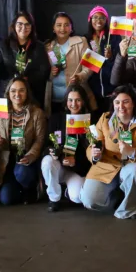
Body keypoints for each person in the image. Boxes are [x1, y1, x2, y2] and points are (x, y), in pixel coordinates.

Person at [82, 86, 136, 219]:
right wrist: (94, 154)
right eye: (117, 102)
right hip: (107, 165)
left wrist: (133, 152)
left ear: (133, 103)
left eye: (126, 101)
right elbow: (93, 144)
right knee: (89, 201)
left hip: (131, 164)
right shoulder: (105, 119)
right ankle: (118, 199)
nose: (121, 106)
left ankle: (132, 209)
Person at [0, 77, 48, 205]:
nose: (17, 94)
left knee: (22, 173)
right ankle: (17, 188)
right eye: (13, 91)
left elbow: (39, 140)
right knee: (6, 199)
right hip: (7, 160)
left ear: (27, 92)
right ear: (8, 93)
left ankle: (29, 189)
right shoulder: (1, 111)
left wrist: (30, 156)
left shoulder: (37, 113)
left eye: (21, 91)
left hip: (26, 160)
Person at [41, 84, 93, 212]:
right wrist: (52, 152)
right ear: (65, 101)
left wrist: (76, 162)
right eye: (70, 100)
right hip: (57, 166)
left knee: (78, 198)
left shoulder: (90, 122)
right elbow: (48, 144)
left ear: (84, 101)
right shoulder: (56, 119)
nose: (73, 104)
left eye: (78, 100)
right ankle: (54, 198)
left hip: (76, 170)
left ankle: (66, 192)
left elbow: (93, 154)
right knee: (48, 161)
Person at [0, 11, 51, 108]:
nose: (24, 28)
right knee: (3, 122)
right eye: (20, 24)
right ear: (14, 25)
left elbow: (44, 71)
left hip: (31, 95)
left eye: (27, 24)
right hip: (6, 94)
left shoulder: (39, 47)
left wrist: (28, 79)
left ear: (32, 27)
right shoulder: (3, 45)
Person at [44, 11, 96, 117]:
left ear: (71, 28)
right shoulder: (47, 46)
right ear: (53, 28)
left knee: (79, 129)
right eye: (59, 25)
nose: (62, 28)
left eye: (66, 25)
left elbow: (90, 67)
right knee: (58, 130)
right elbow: (42, 72)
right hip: (54, 99)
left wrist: (80, 76)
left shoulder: (81, 41)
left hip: (77, 101)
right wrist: (50, 72)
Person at [85, 5, 116, 99]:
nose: (98, 20)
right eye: (95, 17)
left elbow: (119, 60)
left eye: (102, 18)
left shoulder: (113, 37)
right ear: (90, 19)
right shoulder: (85, 38)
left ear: (106, 20)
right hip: (92, 87)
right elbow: (86, 64)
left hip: (110, 86)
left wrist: (110, 57)